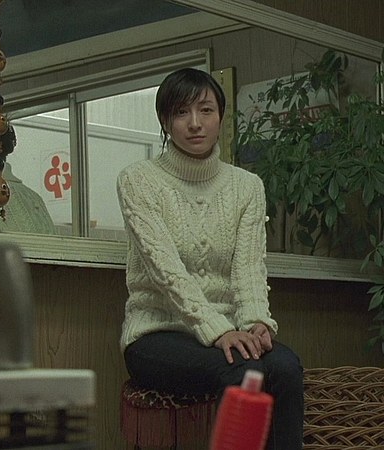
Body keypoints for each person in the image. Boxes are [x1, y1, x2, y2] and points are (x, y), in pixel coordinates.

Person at [117, 68, 303, 450]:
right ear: (165, 121)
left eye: (206, 110)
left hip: (229, 331)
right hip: (156, 334)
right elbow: (166, 270)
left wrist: (255, 322)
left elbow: (248, 268)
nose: (195, 123)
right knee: (244, 367)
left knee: (285, 367)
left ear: (221, 116)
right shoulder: (138, 180)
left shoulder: (247, 187)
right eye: (181, 112)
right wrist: (217, 330)